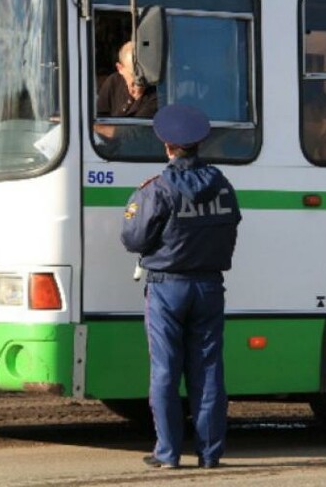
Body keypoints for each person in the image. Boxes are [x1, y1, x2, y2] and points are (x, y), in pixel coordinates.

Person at [120, 104, 241, 470]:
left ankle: (168, 453)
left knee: (165, 370)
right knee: (208, 370)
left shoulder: (157, 189)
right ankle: (209, 454)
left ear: (168, 146)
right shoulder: (222, 184)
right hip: (209, 286)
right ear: (199, 145)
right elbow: (231, 228)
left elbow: (133, 238)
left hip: (167, 288)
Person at [96, 41, 158, 119]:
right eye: (134, 74)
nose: (140, 79)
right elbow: (98, 118)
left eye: (144, 73)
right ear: (120, 68)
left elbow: (136, 130)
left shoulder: (156, 91)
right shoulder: (113, 83)